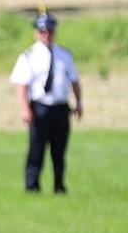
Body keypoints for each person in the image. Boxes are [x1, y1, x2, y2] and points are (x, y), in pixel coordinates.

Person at [10, 12, 83, 194]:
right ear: (36, 32)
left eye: (49, 31)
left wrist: (79, 102)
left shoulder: (64, 55)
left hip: (60, 107)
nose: (46, 34)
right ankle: (32, 186)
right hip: (40, 107)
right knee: (36, 149)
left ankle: (59, 185)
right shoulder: (28, 56)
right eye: (42, 31)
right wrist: (25, 109)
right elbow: (22, 86)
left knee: (59, 151)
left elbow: (74, 81)